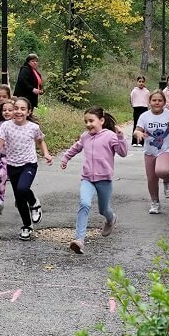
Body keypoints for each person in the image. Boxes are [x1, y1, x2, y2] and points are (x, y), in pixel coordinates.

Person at [0, 97, 52, 241]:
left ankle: (34, 203)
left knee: (22, 189)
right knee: (19, 199)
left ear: (28, 111)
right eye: (16, 108)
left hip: (29, 164)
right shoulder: (6, 126)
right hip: (12, 166)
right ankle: (27, 226)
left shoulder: (33, 127)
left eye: (22, 109)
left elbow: (40, 141)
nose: (19, 111)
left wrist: (46, 153)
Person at [60, 106, 127, 254]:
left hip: (105, 180)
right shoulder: (85, 136)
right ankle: (79, 240)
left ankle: (111, 219)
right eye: (86, 121)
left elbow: (122, 152)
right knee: (84, 203)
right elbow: (76, 147)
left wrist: (121, 137)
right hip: (87, 179)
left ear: (101, 120)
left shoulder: (110, 136)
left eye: (91, 120)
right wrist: (65, 158)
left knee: (104, 210)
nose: (88, 124)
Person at [134, 90, 169, 214]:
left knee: (161, 171)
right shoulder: (144, 116)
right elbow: (137, 129)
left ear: (164, 102)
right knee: (151, 179)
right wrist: (138, 133)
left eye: (160, 100)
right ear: (149, 102)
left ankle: (167, 180)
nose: (157, 103)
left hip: (167, 149)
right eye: (154, 100)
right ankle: (155, 202)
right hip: (150, 151)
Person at [129, 76, 150, 146]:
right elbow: (131, 100)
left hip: (144, 108)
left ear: (144, 82)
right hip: (136, 108)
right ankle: (134, 141)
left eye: (142, 82)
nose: (141, 83)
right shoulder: (134, 91)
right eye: (139, 81)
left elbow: (148, 100)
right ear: (137, 82)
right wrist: (134, 105)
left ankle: (141, 141)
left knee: (143, 125)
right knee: (136, 124)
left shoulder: (147, 91)